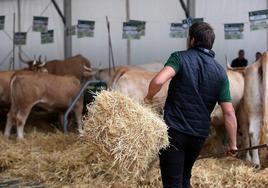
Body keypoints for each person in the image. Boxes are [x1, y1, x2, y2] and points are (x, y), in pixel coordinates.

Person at [144, 22, 237, 188]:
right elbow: (229, 113)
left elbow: (158, 81)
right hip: (198, 136)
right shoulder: (221, 73)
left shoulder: (179, 58)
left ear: (192, 40)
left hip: (175, 132)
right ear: (211, 44)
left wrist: (148, 97)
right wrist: (232, 144)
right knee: (185, 177)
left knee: (173, 182)